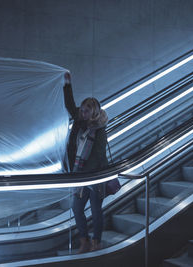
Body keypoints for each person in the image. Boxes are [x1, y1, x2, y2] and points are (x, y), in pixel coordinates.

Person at [63, 72, 108, 253]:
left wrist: (84, 176)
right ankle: (84, 240)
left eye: (86, 111)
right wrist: (67, 83)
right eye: (81, 110)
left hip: (95, 175)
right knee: (76, 208)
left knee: (96, 210)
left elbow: (98, 155)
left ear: (94, 112)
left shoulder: (99, 130)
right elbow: (68, 104)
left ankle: (97, 241)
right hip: (80, 174)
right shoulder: (79, 122)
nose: (82, 113)